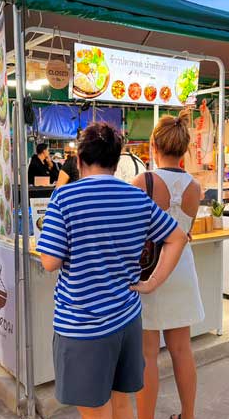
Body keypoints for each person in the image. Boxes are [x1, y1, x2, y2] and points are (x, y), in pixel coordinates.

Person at [37, 122, 188, 419]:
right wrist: (152, 283)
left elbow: (50, 261)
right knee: (121, 403)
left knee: (95, 410)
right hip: (127, 319)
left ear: (79, 160)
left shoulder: (64, 198)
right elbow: (178, 237)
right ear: (116, 162)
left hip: (83, 324)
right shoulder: (136, 197)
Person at [132, 111, 205, 419]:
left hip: (150, 271)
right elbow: (184, 233)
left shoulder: (143, 181)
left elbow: (132, 231)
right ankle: (188, 415)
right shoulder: (195, 187)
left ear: (154, 145)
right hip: (182, 269)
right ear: (184, 148)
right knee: (182, 349)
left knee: (147, 354)